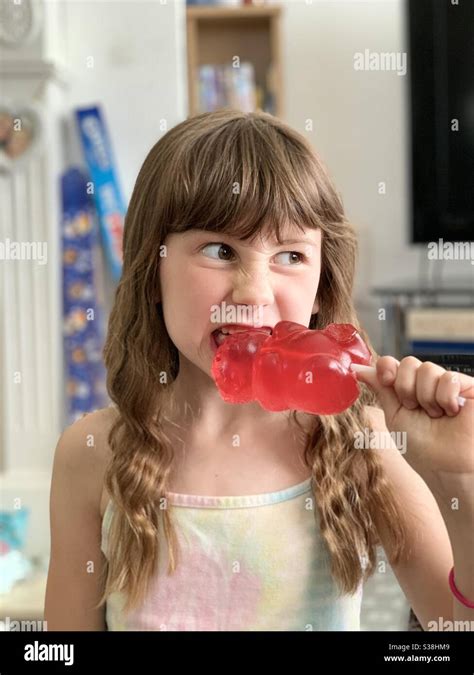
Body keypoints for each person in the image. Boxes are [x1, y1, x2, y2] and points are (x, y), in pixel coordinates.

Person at [44, 109, 473, 631]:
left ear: (320, 288)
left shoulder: (364, 446)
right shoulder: (89, 456)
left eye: (290, 255)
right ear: (152, 271)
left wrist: (460, 482)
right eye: (220, 250)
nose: (253, 292)